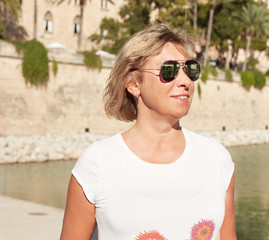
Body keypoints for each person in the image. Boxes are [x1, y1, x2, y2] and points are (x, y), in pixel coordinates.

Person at [60, 24, 236, 240]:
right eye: (168, 70)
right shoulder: (98, 163)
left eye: (190, 69)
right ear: (134, 84)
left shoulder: (217, 159)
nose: (185, 81)